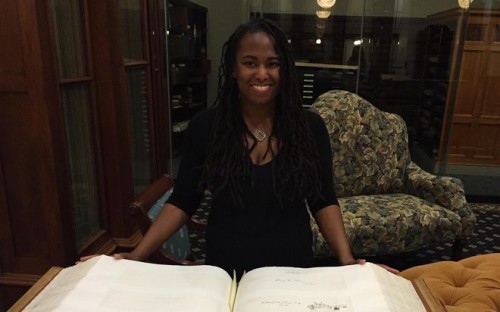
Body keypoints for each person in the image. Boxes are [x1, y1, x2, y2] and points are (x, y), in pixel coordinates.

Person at [82, 18, 397, 277]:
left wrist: (346, 262)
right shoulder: (206, 127)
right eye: (250, 63)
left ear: (283, 70)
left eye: (272, 64)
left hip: (292, 268)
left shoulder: (309, 128)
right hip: (224, 268)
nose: (262, 74)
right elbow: (183, 201)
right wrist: (136, 256)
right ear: (233, 69)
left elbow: (323, 200)